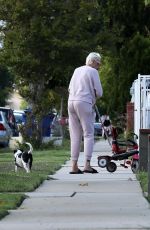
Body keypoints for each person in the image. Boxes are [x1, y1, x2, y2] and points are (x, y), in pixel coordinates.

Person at [68, 52, 103, 174]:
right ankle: (87, 165)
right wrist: (93, 97)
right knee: (88, 134)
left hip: (71, 102)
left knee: (75, 135)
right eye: (98, 63)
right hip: (84, 102)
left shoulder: (77, 70)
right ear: (92, 62)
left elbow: (69, 88)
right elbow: (99, 92)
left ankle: (74, 166)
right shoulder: (93, 72)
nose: (99, 66)